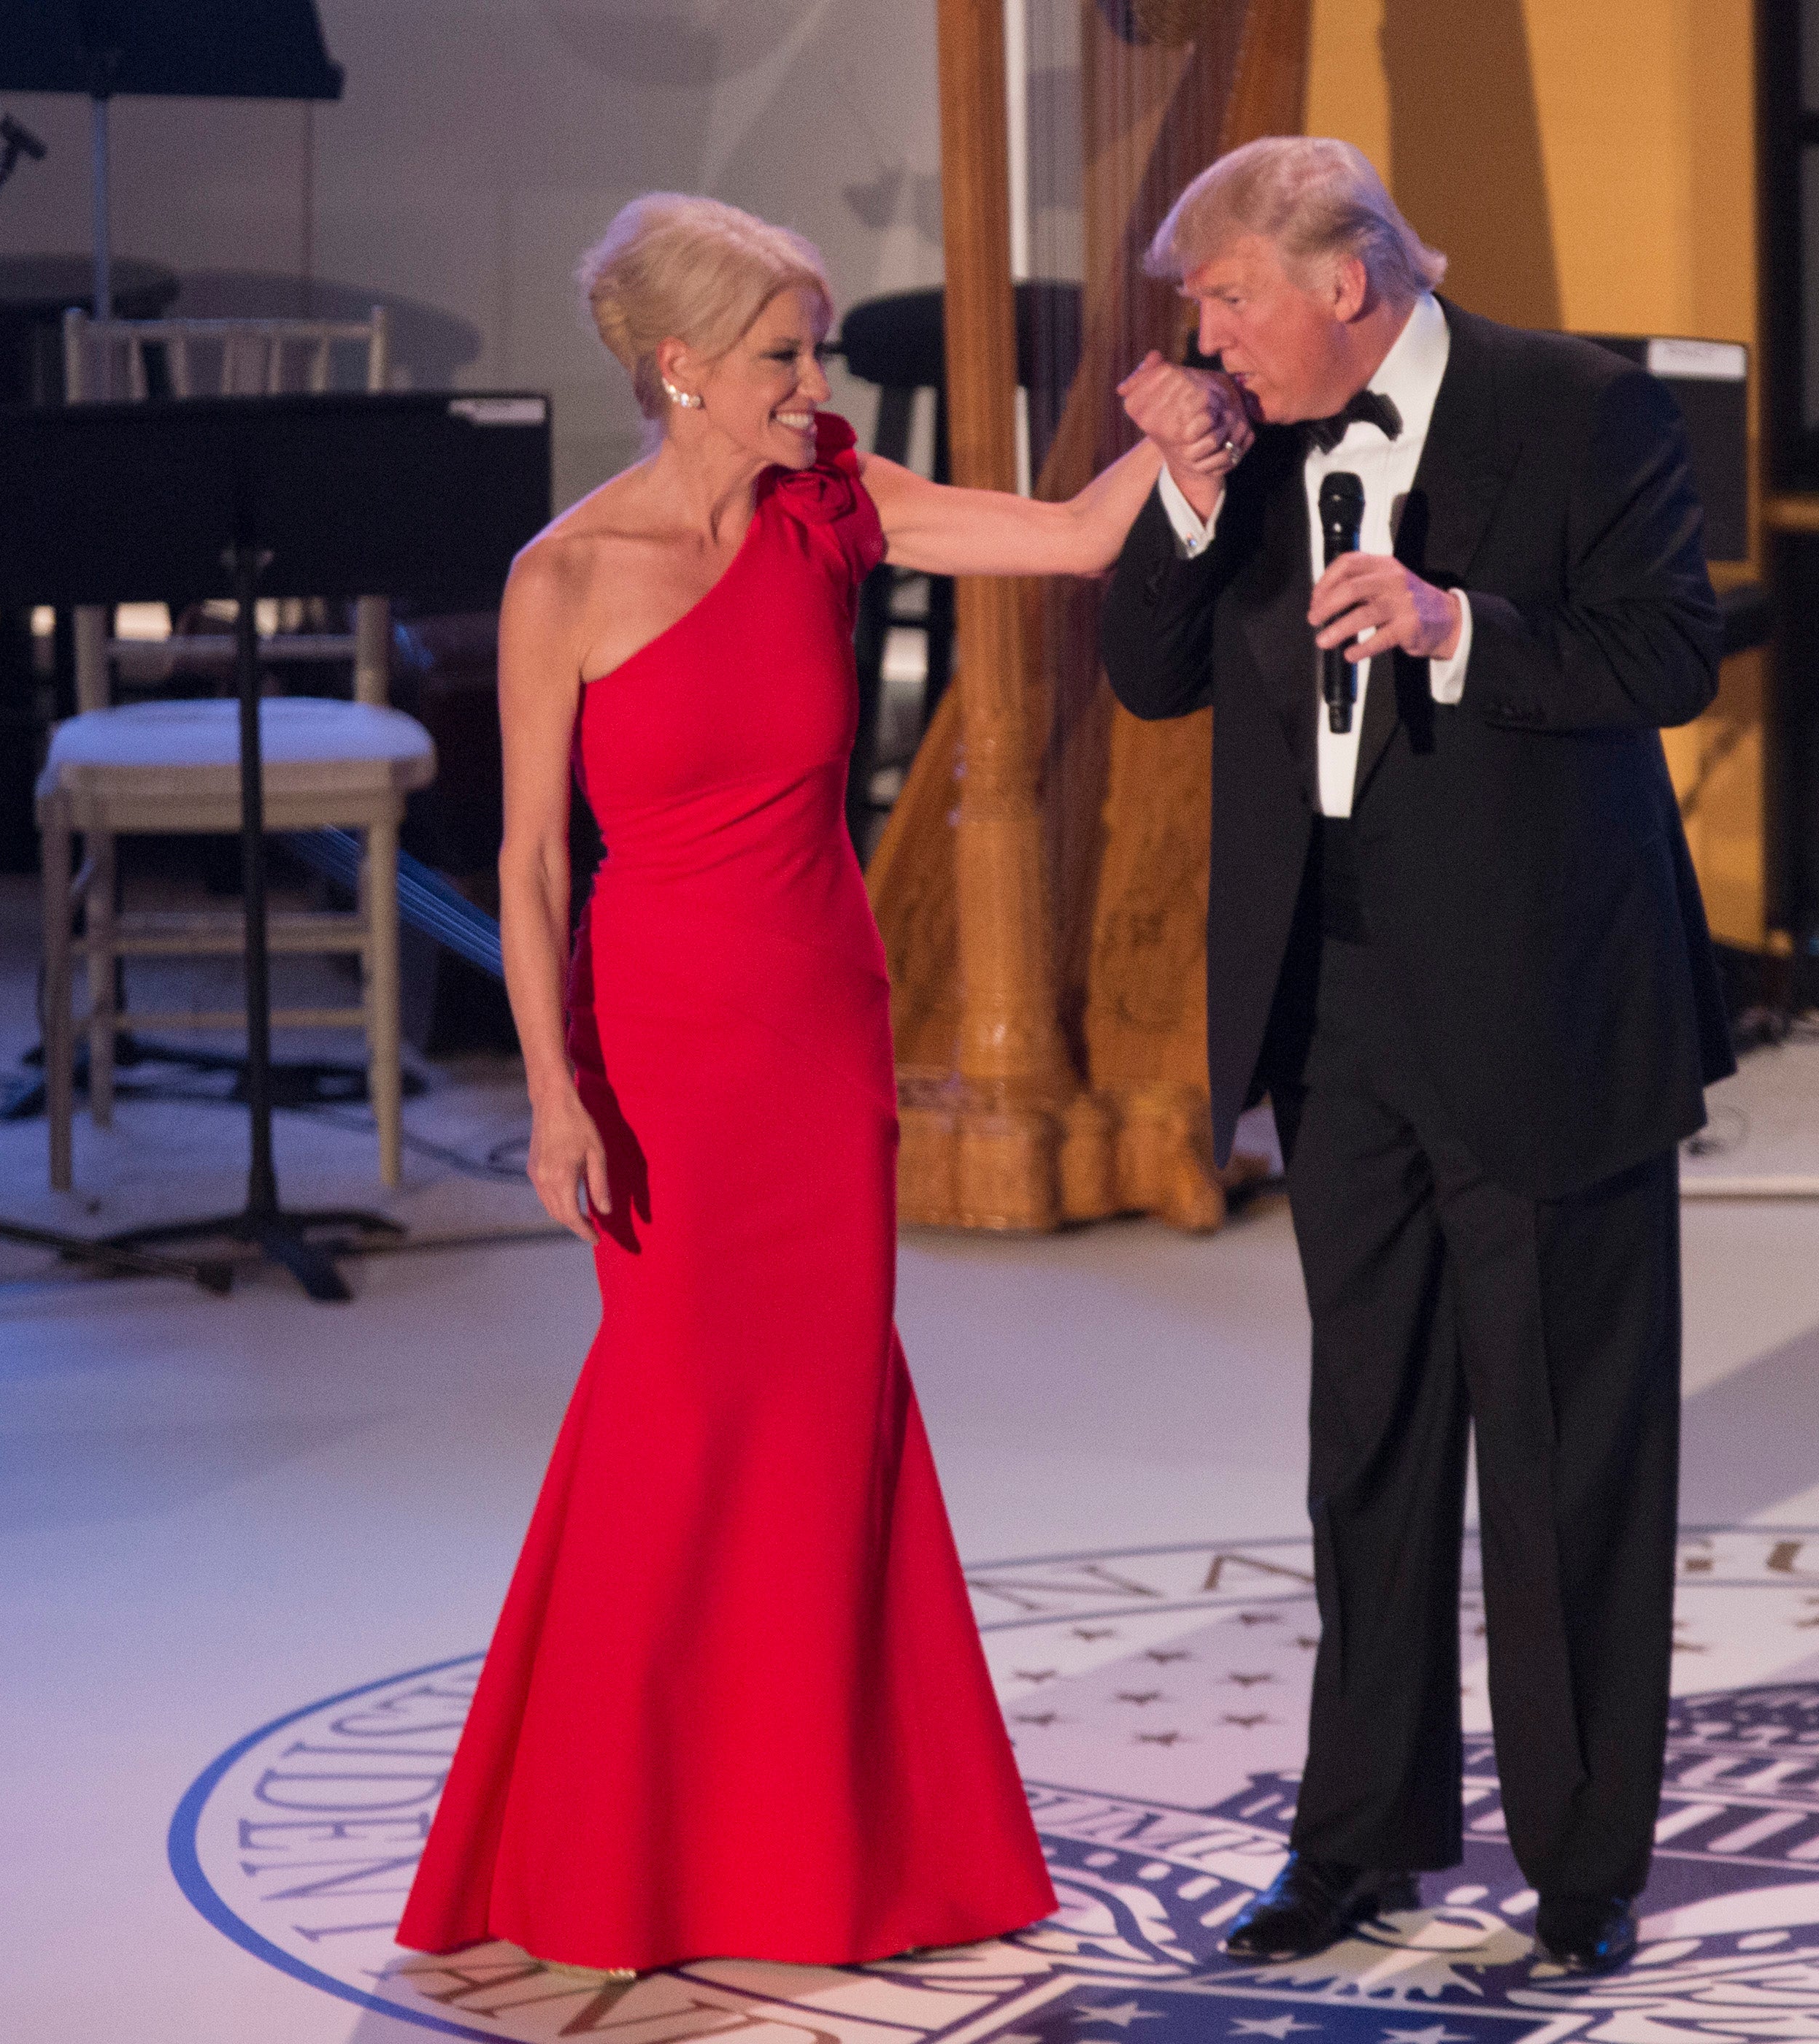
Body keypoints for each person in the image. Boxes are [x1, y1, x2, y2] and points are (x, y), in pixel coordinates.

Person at [396, 193, 1242, 1976]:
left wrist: (1168, 449)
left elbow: (1080, 539)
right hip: (664, 1053)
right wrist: (556, 1092)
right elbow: (533, 867)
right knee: (673, 1423)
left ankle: (816, 1847)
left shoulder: (833, 509)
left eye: (819, 351)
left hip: (817, 1031)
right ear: (679, 366)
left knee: (820, 1427)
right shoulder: (563, 575)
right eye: (786, 355)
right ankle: (608, 1845)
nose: (816, 383)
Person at [1101, 138, 1732, 1978]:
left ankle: (1584, 1855)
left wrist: (1462, 625)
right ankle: (1360, 1831)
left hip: (1546, 997)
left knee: (1561, 1442)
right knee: (1366, 1432)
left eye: (1224, 300)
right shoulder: (1245, 446)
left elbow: (1671, 653)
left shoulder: (1579, 409)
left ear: (1341, 282)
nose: (1203, 340)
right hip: (1334, 999)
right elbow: (1146, 672)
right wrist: (1184, 490)